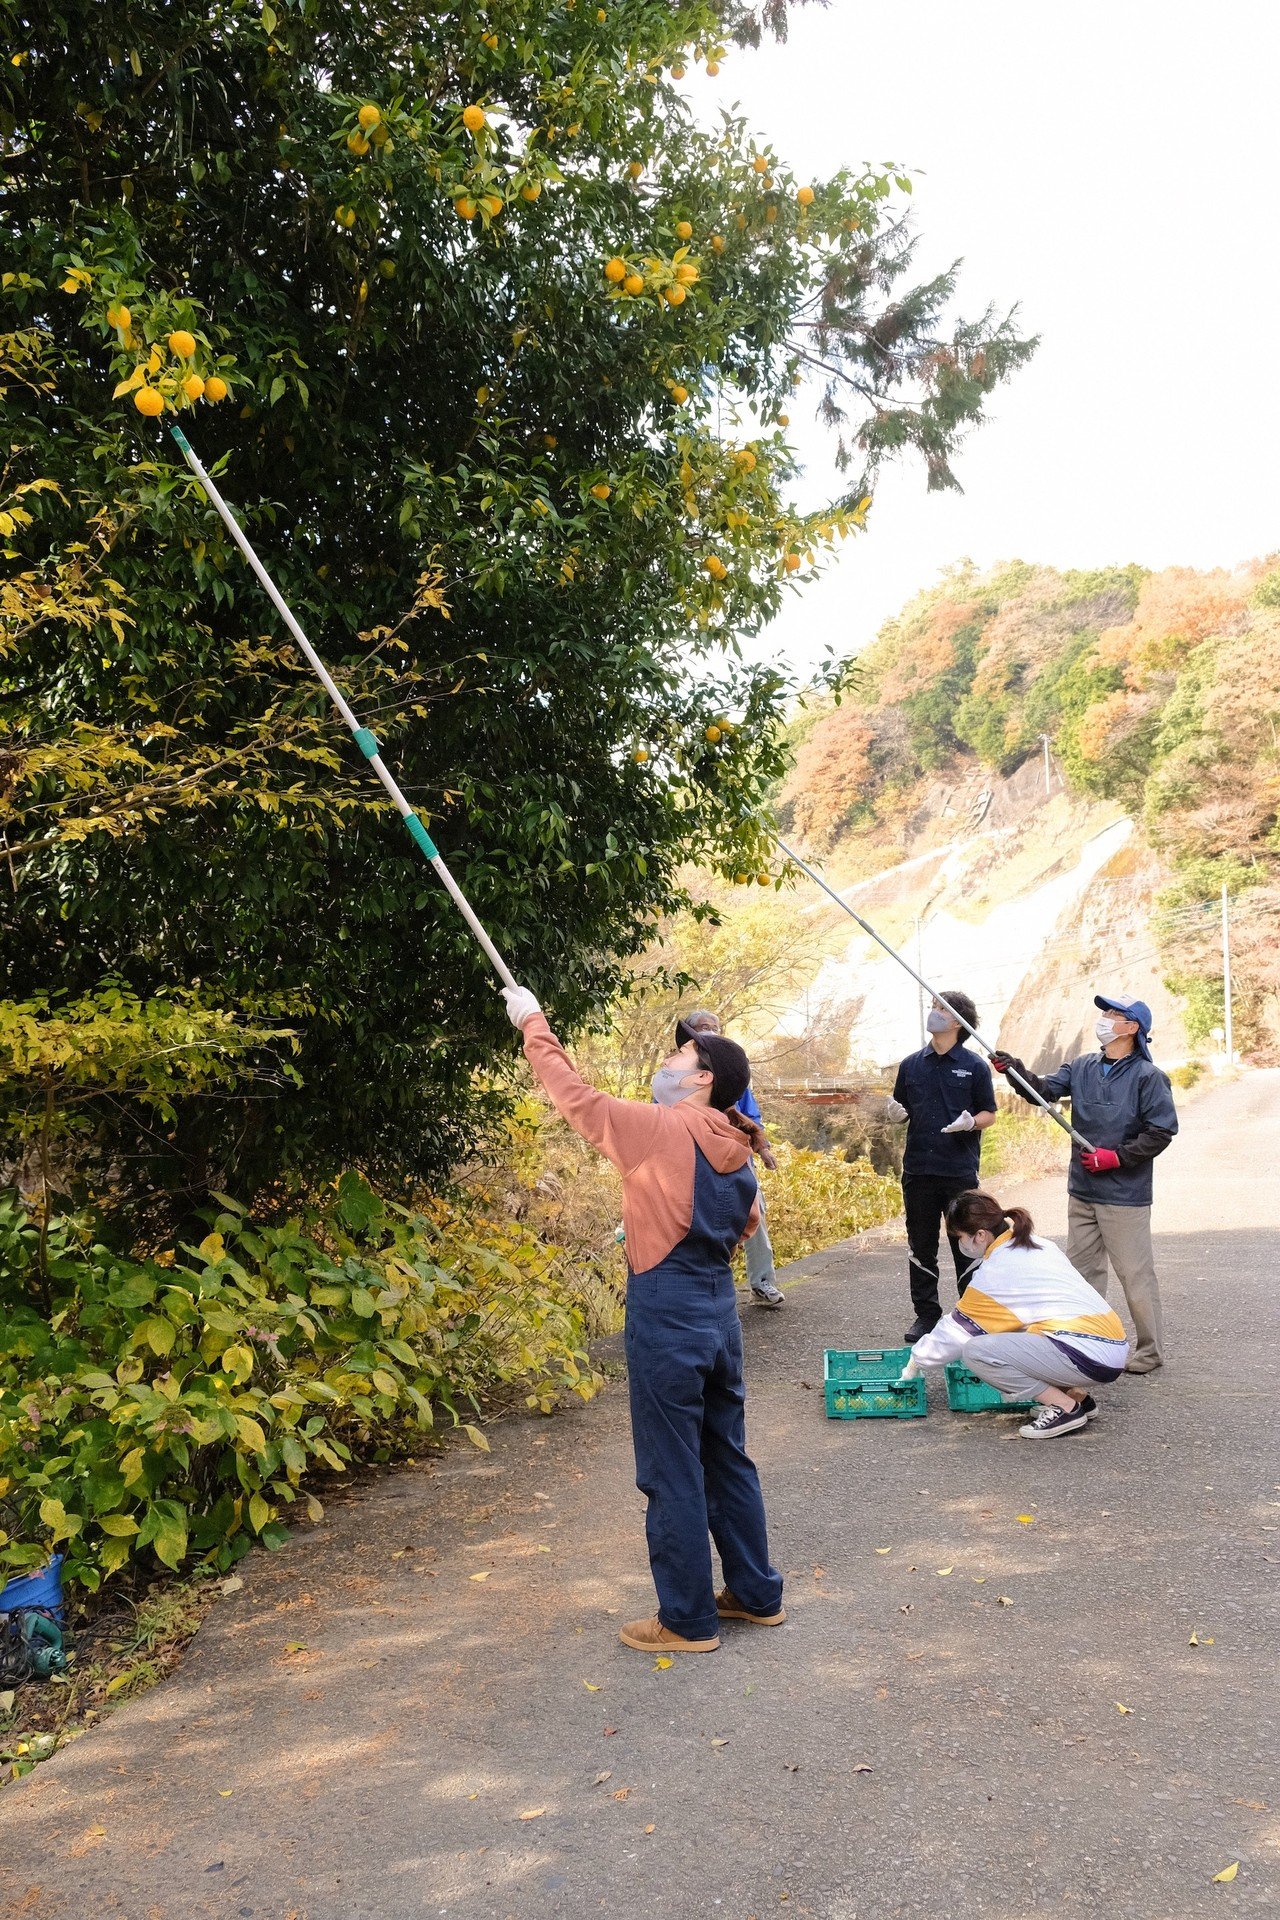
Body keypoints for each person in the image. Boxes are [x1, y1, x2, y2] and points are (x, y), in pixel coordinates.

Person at [502, 982, 785, 1655]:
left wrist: (532, 1022)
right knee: (726, 1455)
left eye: (678, 1056)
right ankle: (754, 1594)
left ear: (703, 1078)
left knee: (670, 1468)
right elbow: (743, 1223)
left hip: (667, 1311)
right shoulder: (737, 1143)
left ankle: (686, 1619)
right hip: (718, 1313)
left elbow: (575, 1097)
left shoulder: (660, 1129)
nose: (667, 1063)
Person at [991, 993, 1177, 1374]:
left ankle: (1150, 1351)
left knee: (1134, 1274)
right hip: (1083, 1190)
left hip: (1125, 1195)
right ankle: (1088, 1341)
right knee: (1081, 1273)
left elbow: (1161, 1131)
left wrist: (1118, 1157)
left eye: (1113, 1014)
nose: (1105, 1019)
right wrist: (1014, 1070)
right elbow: (1042, 1092)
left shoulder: (1148, 1076)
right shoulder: (1083, 1066)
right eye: (1104, 1013)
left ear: (1132, 1027)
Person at [902, 1189, 1130, 1438]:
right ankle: (1078, 1398)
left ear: (980, 1235)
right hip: (1112, 1344)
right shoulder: (1038, 1244)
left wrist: (916, 1360)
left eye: (960, 1237)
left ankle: (1065, 1408)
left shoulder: (996, 1273)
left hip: (1087, 1355)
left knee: (977, 1352)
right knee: (1019, 1327)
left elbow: (955, 1333)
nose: (960, 1244)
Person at [887, 991, 997, 1345]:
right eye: (933, 1007)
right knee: (921, 1246)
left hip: (959, 1170)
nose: (933, 1014)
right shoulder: (911, 1064)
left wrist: (970, 1122)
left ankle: (970, 1314)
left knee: (967, 1243)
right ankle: (927, 1316)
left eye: (941, 1009)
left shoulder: (975, 1066)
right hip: (918, 1169)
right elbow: (900, 1107)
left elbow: (989, 1114)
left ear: (957, 1022)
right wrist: (894, 1113)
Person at [675, 1008, 785, 1310]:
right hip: (691, 1158)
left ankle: (762, 1283)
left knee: (754, 1212)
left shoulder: (733, 1072)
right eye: (705, 1027)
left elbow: (751, 1118)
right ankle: (698, 1291)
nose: (712, 1031)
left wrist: (763, 1148)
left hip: (735, 1154)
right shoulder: (676, 1072)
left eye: (716, 1027)